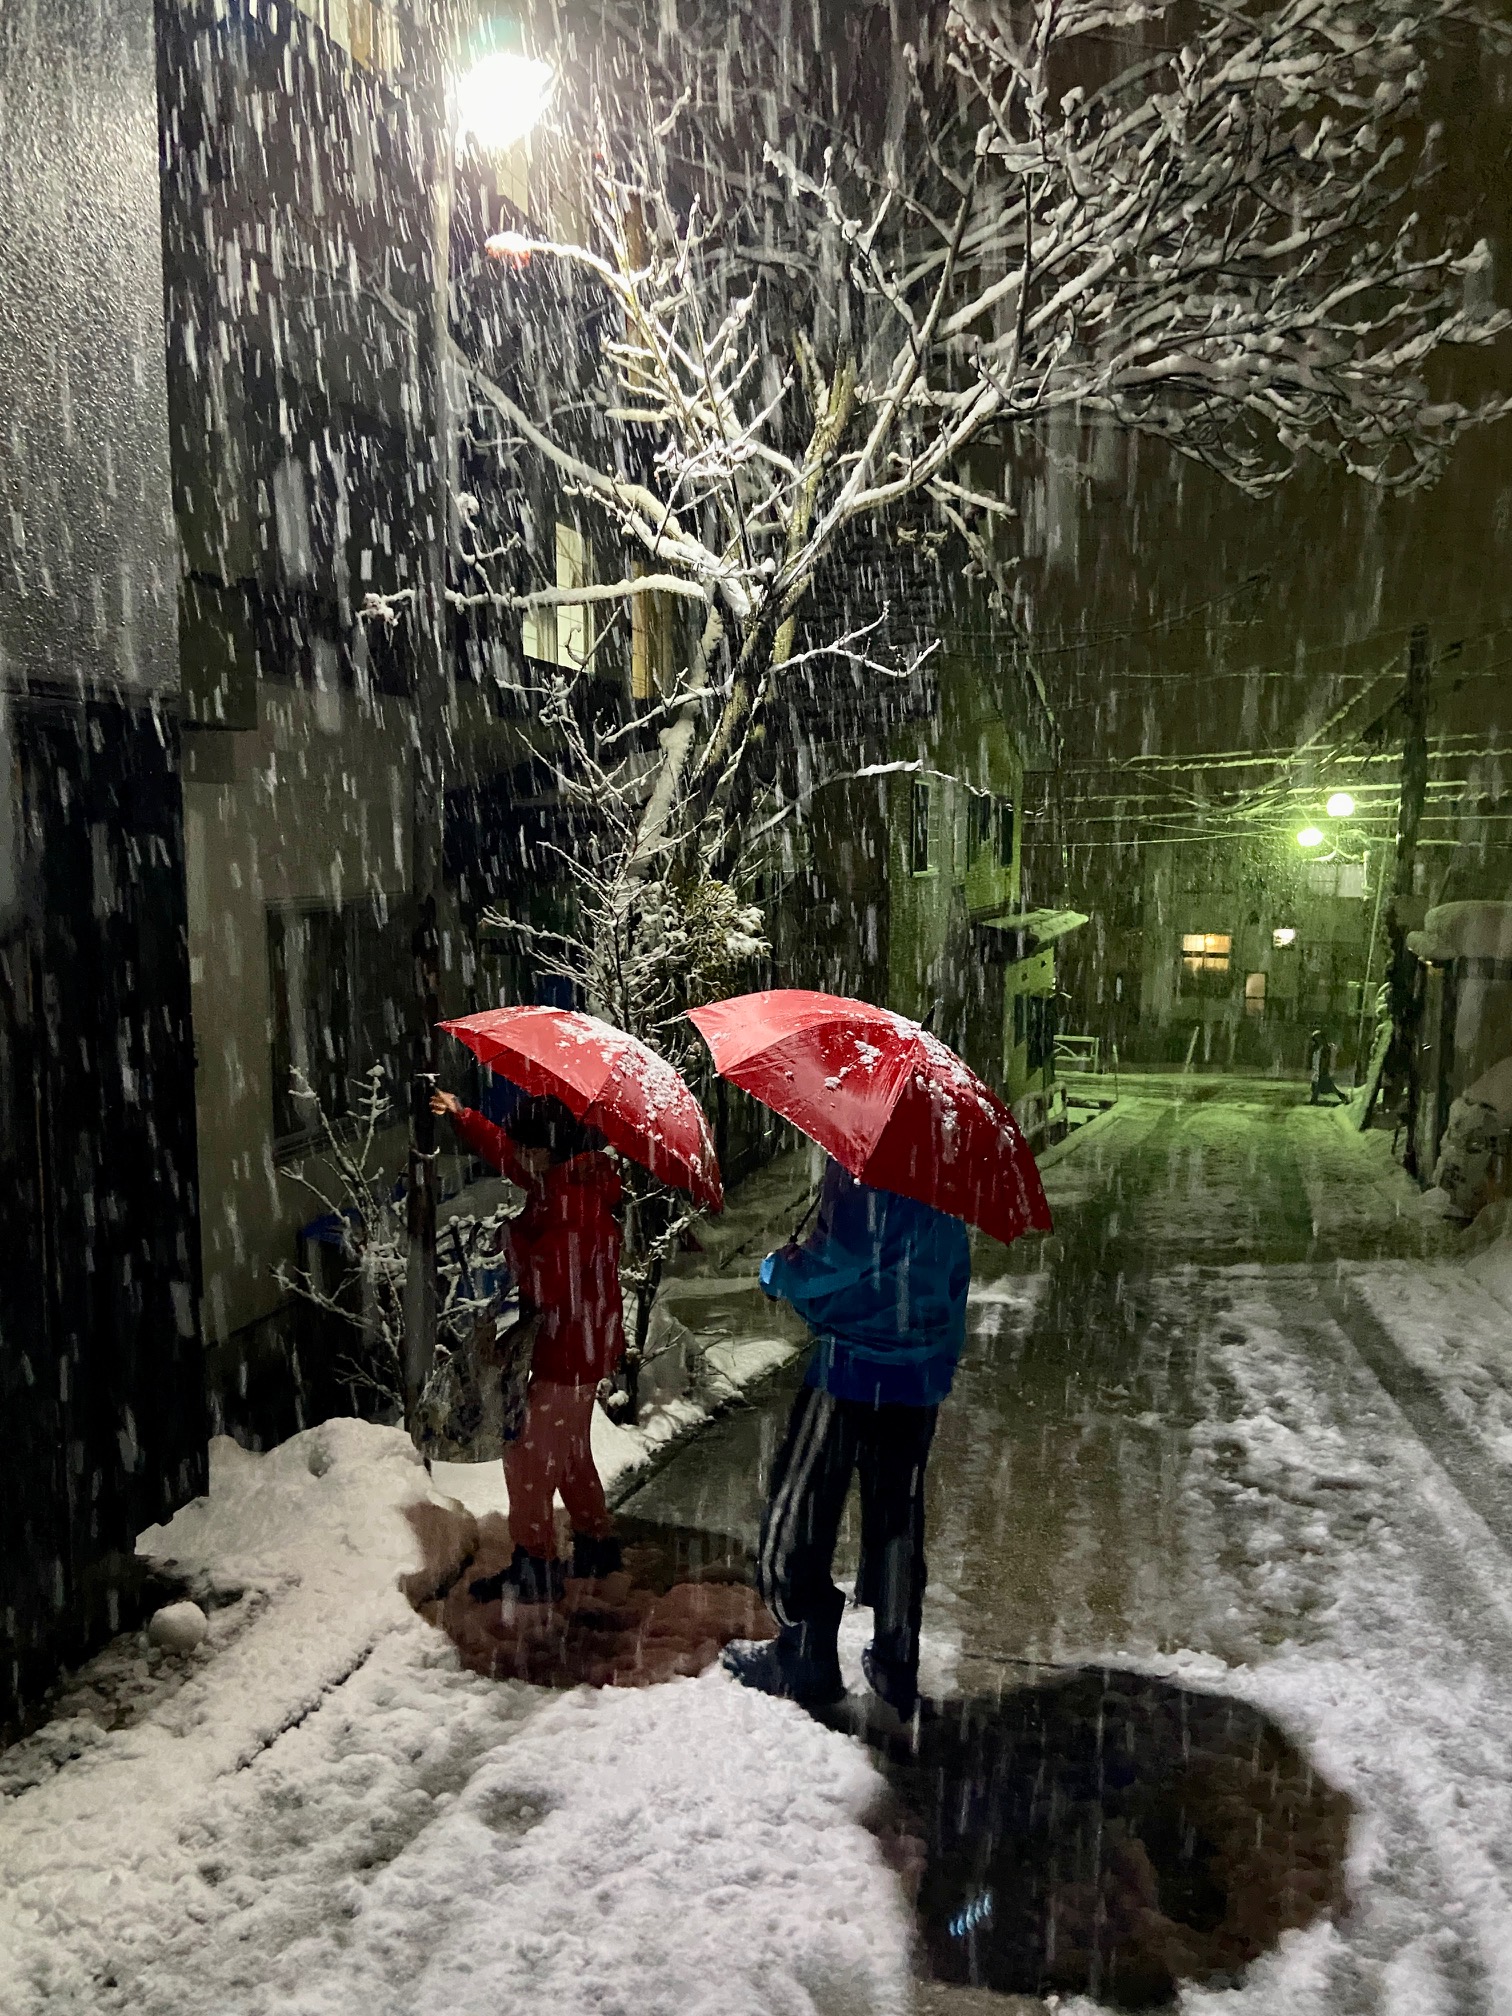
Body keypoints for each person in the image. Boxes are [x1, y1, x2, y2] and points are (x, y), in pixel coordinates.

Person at [723, 1157, 971, 1718]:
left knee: (797, 1511)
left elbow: (844, 1255)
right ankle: (895, 1657)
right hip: (918, 1377)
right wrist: (937, 1359)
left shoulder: (864, 1161)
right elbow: (953, 1273)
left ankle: (803, 1653)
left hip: (852, 1371)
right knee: (897, 1518)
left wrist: (780, 1272)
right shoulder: (939, 1167)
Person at [431, 1086, 625, 1603]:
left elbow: (549, 1284)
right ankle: (595, 1545)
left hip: (569, 1350)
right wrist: (463, 1115)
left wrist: (514, 1238)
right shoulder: (562, 1178)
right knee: (570, 1453)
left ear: (543, 1150)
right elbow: (505, 1153)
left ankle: (536, 1565)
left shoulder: (573, 1204)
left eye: (525, 1147)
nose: (516, 1156)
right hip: (584, 1344)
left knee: (527, 1455)